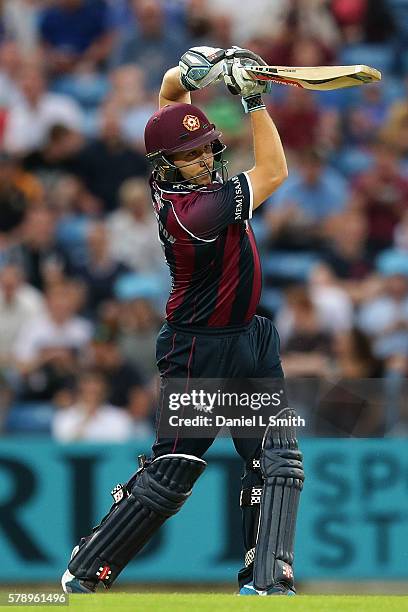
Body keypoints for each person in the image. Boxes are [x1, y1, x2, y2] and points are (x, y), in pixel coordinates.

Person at [61, 45, 304, 596]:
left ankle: (266, 583)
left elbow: (172, 98)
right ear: (166, 164)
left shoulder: (178, 173)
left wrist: (190, 70)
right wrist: (255, 98)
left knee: (279, 460)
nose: (205, 157)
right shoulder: (198, 210)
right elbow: (275, 169)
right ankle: (85, 570)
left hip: (250, 340)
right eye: (192, 154)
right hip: (199, 350)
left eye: (207, 147)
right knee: (174, 473)